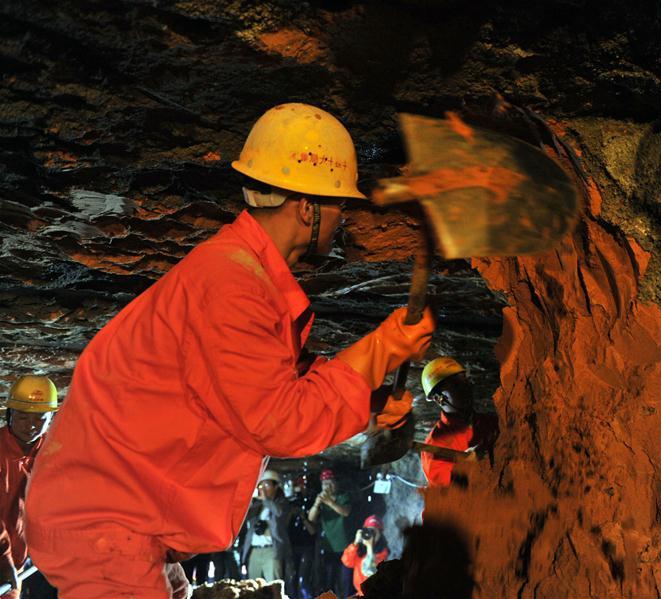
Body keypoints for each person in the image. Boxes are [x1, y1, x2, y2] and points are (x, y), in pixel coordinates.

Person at [24, 103, 434, 599]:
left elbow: (266, 387)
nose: (341, 219)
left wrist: (367, 401)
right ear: (307, 208)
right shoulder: (231, 285)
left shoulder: (242, 276)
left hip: (124, 523)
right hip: (105, 524)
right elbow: (277, 420)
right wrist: (383, 350)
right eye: (337, 206)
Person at [0, 376, 57, 599]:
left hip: (17, 559)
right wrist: (5, 560)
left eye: (40, 418)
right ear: (10, 414)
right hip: (5, 559)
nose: (31, 425)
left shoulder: (54, 453)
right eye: (23, 417)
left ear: (51, 418)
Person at [419, 357, 499, 487]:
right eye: (456, 386)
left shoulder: (489, 421)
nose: (466, 388)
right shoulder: (435, 446)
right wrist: (468, 464)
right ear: (438, 399)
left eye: (465, 381)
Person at [240, 470, 291, 582]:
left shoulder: (282, 503)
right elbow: (245, 517)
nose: (263, 489)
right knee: (253, 586)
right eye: (260, 485)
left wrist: (266, 500)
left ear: (276, 486)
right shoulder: (257, 505)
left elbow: (279, 513)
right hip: (254, 550)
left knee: (273, 585)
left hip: (271, 550)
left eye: (267, 485)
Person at [308, 469, 350, 597]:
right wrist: (316, 504)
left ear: (335, 483)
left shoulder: (343, 496)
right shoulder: (321, 499)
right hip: (328, 546)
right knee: (328, 579)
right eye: (324, 484)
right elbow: (311, 518)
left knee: (344, 580)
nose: (327, 487)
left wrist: (329, 502)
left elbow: (345, 512)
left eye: (330, 483)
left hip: (344, 546)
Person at [341, 515, 389, 597]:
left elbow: (370, 571)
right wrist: (355, 543)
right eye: (369, 531)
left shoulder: (382, 552)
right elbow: (347, 562)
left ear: (380, 534)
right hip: (358, 591)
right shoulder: (359, 548)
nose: (371, 535)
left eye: (374, 532)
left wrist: (370, 547)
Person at [287, 473, 317, 599]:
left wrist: (303, 517)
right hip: (292, 546)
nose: (301, 489)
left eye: (303, 486)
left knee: (303, 579)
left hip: (307, 546)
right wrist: (291, 513)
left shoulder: (311, 503)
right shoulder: (290, 503)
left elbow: (313, 530)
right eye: (298, 486)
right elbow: (283, 526)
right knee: (291, 578)